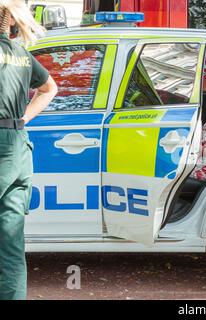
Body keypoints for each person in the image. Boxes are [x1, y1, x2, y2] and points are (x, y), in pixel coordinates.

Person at [0, 0, 57, 300]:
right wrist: (23, 118)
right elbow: (51, 89)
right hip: (19, 149)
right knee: (10, 245)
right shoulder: (21, 54)